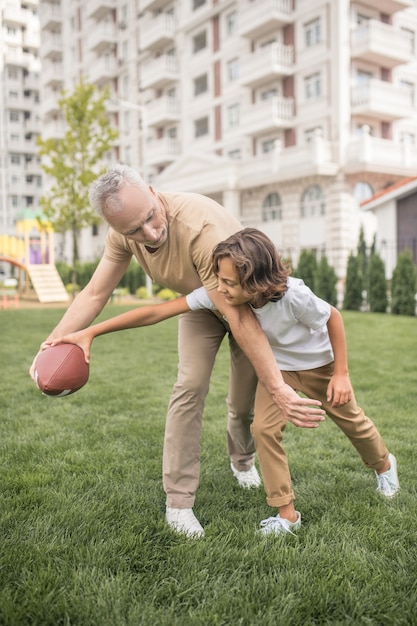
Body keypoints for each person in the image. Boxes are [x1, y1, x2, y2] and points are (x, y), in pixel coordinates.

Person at [30, 166, 325, 538]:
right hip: (199, 306)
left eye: (150, 217)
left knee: (241, 404)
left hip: (246, 308)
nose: (149, 233)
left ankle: (242, 460)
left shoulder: (200, 230)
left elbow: (240, 318)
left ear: (153, 192)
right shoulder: (122, 234)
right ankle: (179, 501)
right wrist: (53, 343)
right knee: (189, 387)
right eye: (133, 230)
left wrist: (279, 387)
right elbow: (94, 292)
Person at [48, 227, 400, 537]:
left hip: (320, 366)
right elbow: (156, 312)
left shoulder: (293, 295)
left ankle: (384, 466)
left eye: (230, 282)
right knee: (263, 429)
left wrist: (341, 373)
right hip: (279, 373)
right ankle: (287, 514)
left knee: (353, 422)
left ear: (257, 282)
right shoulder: (218, 293)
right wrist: (92, 331)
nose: (221, 288)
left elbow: (333, 318)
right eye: (218, 278)